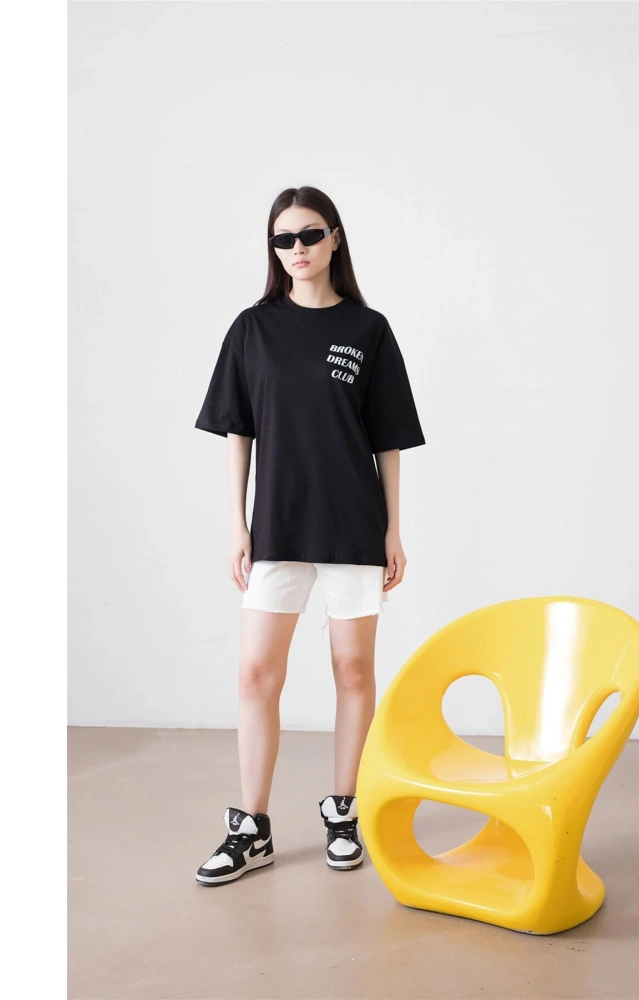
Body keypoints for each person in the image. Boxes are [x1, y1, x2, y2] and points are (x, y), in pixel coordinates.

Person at [193, 186, 426, 885]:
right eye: (283, 238)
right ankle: (251, 827)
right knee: (256, 673)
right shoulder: (252, 329)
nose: (296, 249)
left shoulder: (368, 329)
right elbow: (237, 431)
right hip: (277, 524)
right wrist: (237, 523)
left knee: (352, 670)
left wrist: (394, 529)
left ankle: (344, 811)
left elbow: (388, 440)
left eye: (309, 234)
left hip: (353, 523)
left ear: (334, 239)